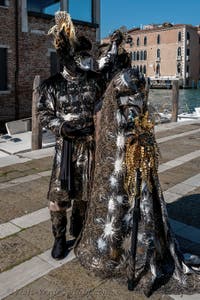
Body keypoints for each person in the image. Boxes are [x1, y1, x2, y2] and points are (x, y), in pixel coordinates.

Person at [75, 32, 199, 296]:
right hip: (112, 154)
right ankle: (113, 246)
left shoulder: (129, 79)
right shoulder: (109, 80)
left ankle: (129, 252)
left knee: (128, 195)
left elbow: (135, 118)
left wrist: (136, 143)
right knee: (113, 197)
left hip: (128, 153)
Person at [38, 11, 105, 260]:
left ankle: (81, 232)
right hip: (65, 148)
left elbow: (106, 106)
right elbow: (43, 113)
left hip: (90, 147)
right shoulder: (50, 85)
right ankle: (58, 238)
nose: (85, 59)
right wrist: (61, 127)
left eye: (86, 55)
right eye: (80, 55)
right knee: (59, 196)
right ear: (67, 57)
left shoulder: (95, 81)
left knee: (86, 194)